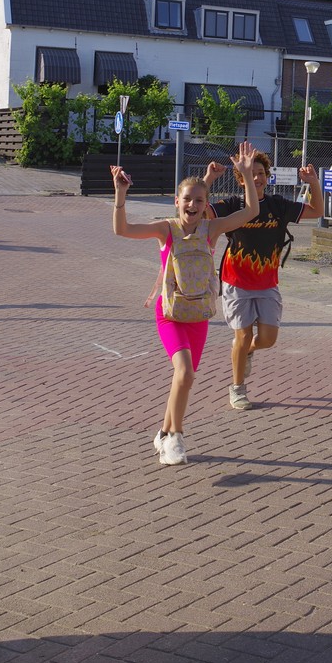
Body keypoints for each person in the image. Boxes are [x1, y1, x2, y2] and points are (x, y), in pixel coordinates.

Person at [111, 145, 260, 467]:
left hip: (198, 314)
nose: (192, 205)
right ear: (176, 202)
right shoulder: (166, 228)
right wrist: (120, 195)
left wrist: (247, 175)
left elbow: (250, 212)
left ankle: (164, 433)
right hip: (170, 314)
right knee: (185, 372)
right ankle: (176, 437)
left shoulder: (211, 229)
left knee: (185, 378)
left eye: (199, 200)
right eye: (187, 199)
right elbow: (122, 230)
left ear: (206, 206)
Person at [203, 147, 322, 412]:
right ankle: (237, 388)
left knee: (268, 339)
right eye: (251, 173)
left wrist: (314, 182)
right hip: (236, 281)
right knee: (242, 335)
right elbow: (201, 211)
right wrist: (209, 179)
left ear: (267, 177)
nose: (256, 178)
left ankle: (247, 350)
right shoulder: (232, 205)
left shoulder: (278, 205)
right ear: (240, 179)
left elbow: (316, 211)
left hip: (267, 283)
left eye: (261, 173)